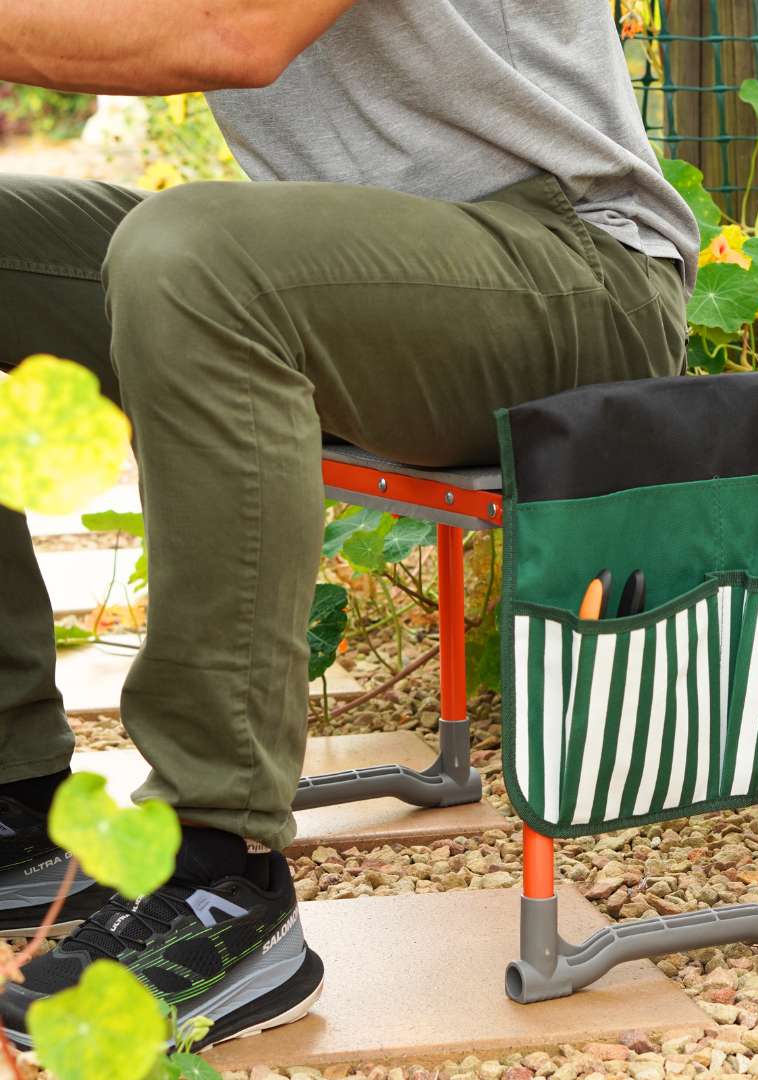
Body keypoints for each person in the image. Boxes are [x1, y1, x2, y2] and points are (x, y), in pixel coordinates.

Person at [0, 0, 697, 1049]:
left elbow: (229, 32)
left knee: (190, 252)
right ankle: (16, 808)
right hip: (346, 261)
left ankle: (220, 877)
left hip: (579, 270)